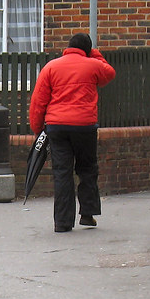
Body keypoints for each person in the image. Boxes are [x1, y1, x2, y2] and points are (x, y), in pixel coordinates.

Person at [28, 33, 116, 234]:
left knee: (62, 172)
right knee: (87, 169)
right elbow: (109, 73)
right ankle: (87, 213)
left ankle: (62, 223)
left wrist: (37, 129)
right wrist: (93, 54)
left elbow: (38, 102)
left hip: (57, 127)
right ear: (88, 50)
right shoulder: (93, 65)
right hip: (85, 126)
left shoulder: (51, 67)